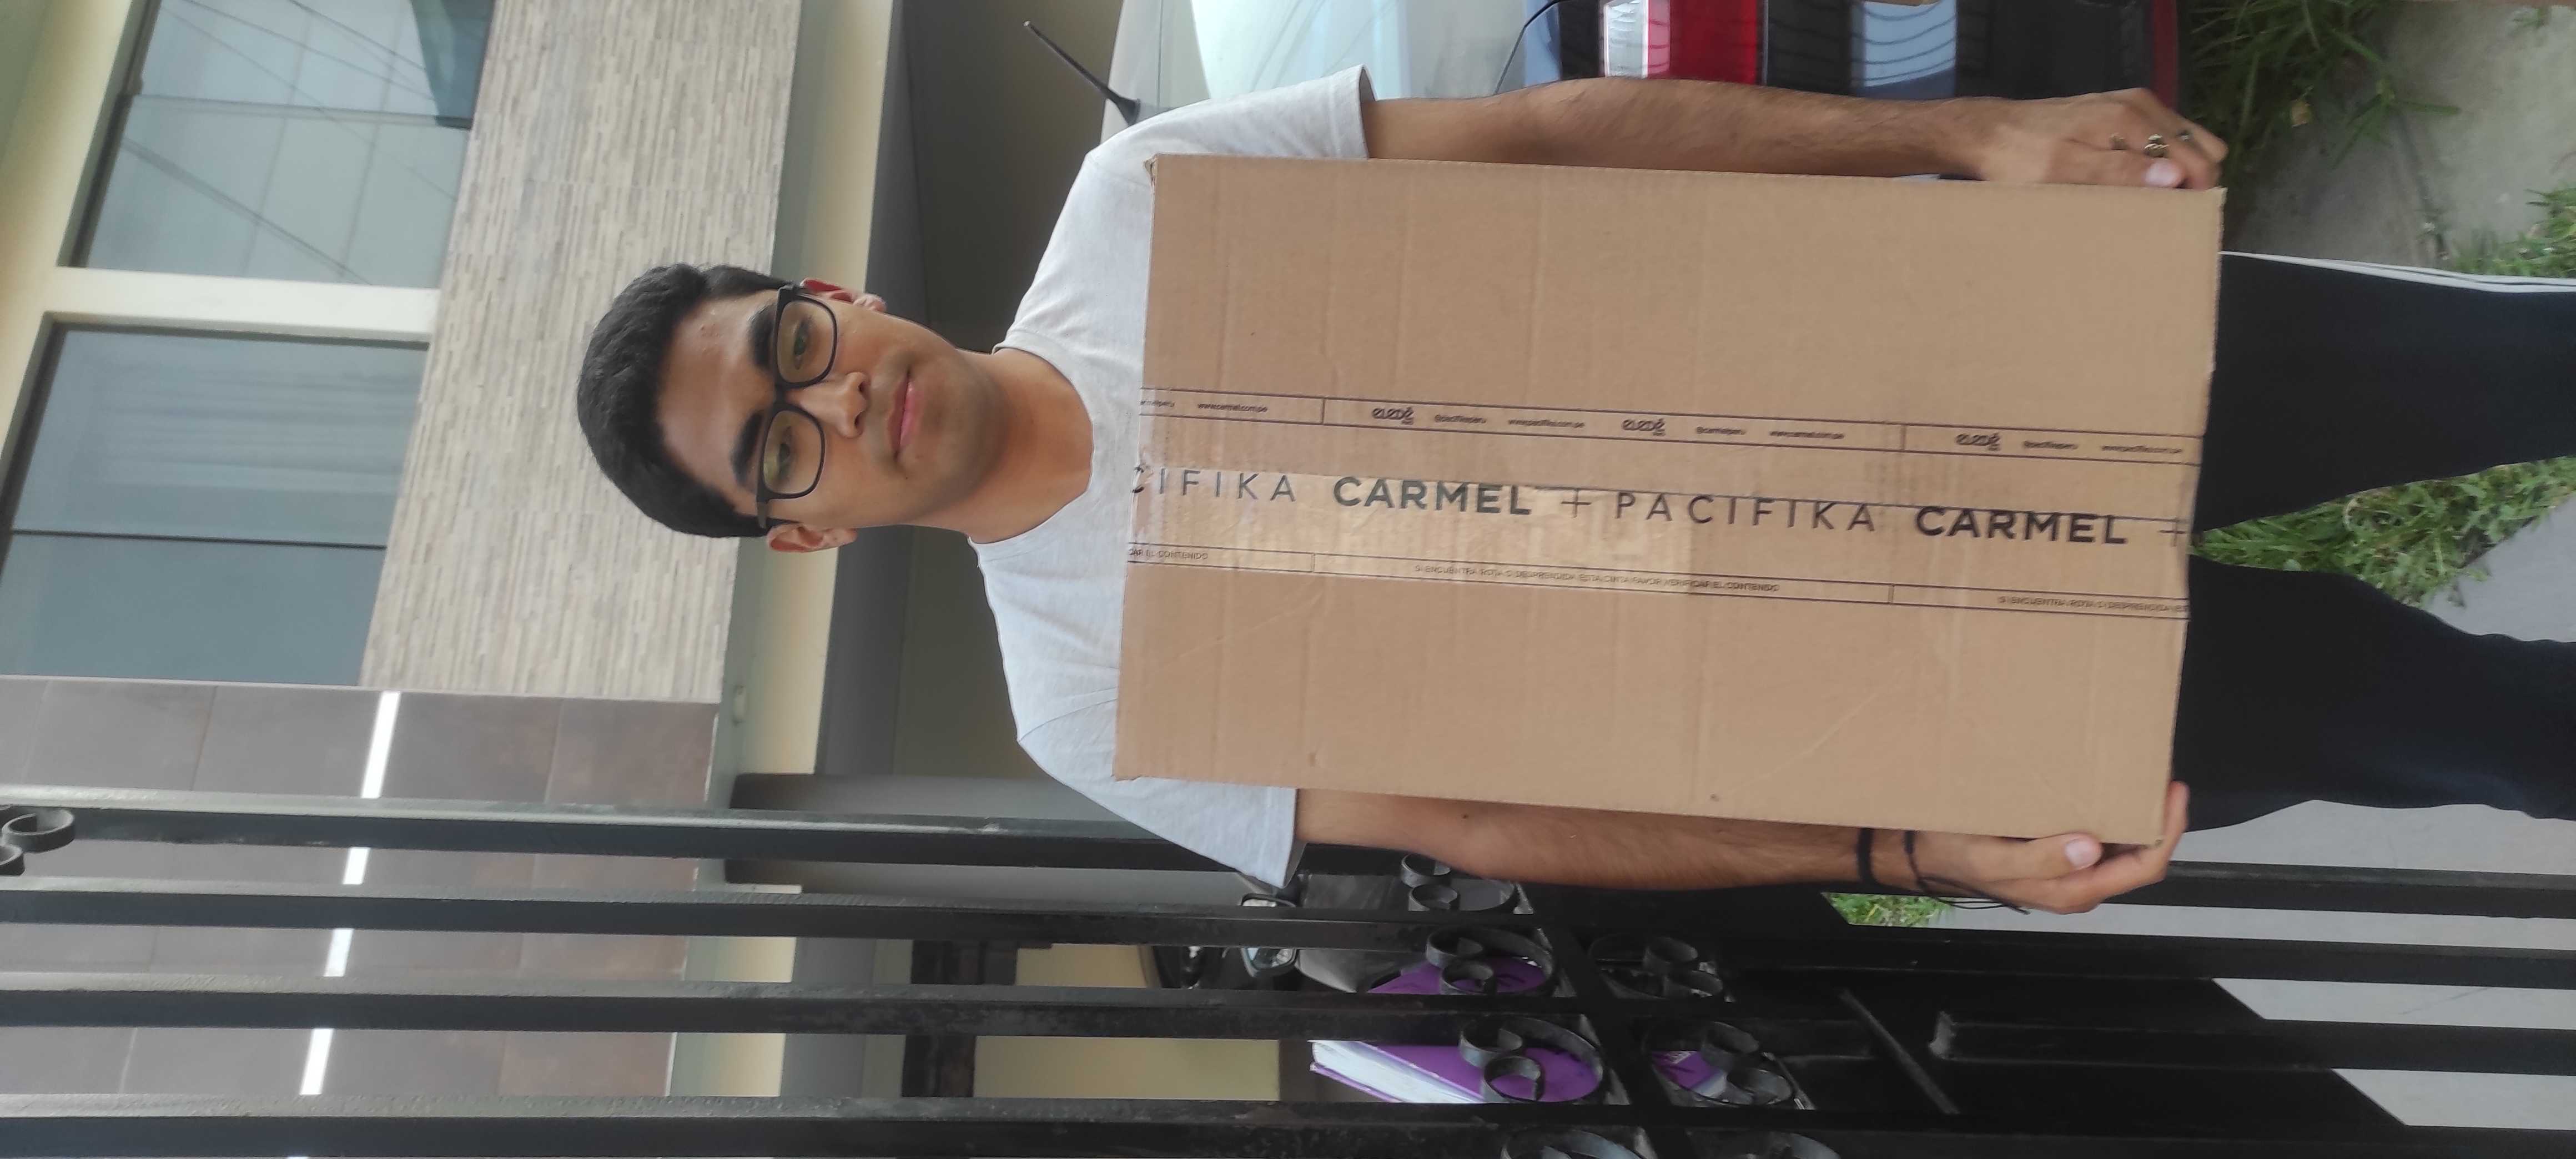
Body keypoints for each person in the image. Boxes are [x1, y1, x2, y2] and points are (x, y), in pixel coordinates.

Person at [577, 72, 2575, 917]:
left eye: (794, 342)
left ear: (833, 293)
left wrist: (1975, 139)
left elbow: (1553, 142)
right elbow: (1478, 814)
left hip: (1981, 362)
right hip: (1930, 692)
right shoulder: (1086, 696)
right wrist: (1903, 845)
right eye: (781, 443)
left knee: (2527, 368)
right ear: (802, 532)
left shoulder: (1150, 205)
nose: (837, 396)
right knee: (2480, 735)